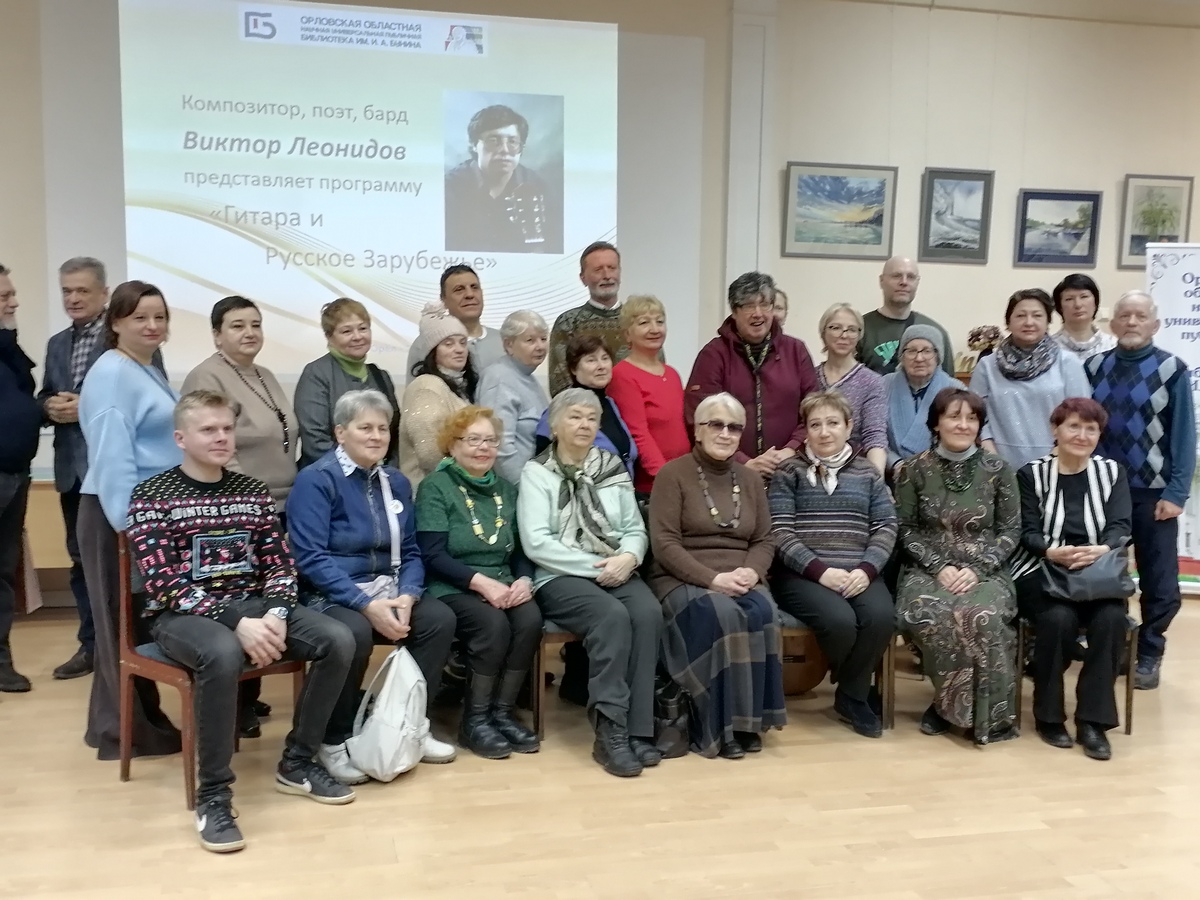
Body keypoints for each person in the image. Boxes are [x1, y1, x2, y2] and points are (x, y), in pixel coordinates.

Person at [128, 391, 356, 853]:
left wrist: (276, 613)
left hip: (253, 607)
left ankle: (297, 762)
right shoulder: (151, 495)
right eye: (208, 430)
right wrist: (235, 621)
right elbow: (163, 581)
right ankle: (213, 795)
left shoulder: (251, 491)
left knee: (338, 638)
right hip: (181, 615)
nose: (221, 438)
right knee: (222, 651)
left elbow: (280, 564)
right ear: (181, 438)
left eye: (227, 429)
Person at [287, 390, 458, 781]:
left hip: (389, 587)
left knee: (438, 620)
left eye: (383, 428)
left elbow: (411, 550)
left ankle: (410, 725)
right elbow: (310, 558)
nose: (376, 436)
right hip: (329, 591)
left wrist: (409, 595)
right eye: (365, 427)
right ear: (340, 433)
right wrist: (364, 603)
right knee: (356, 632)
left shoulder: (395, 481)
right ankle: (335, 739)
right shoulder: (316, 480)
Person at [518, 388, 663, 777]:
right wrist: (597, 566)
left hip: (616, 565)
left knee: (647, 613)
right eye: (575, 417)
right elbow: (537, 544)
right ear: (554, 425)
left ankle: (639, 729)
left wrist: (630, 557)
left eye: (591, 418)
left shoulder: (611, 467)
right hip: (560, 575)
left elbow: (634, 527)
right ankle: (610, 732)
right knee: (610, 616)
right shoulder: (537, 472)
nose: (584, 425)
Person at [181, 294, 299, 737]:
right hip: (238, 510)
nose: (249, 332)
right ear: (217, 335)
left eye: (255, 324)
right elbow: (214, 447)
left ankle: (248, 691)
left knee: (264, 598)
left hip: (280, 504)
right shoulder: (206, 375)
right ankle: (233, 705)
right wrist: (239, 500)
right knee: (235, 598)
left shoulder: (263, 374)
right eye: (237, 326)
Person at [77, 280, 183, 760]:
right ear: (116, 322)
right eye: (140, 317)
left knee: (134, 628)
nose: (152, 325)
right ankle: (122, 732)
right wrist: (130, 528)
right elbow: (112, 458)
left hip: (148, 516)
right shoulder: (112, 372)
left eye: (159, 316)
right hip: (116, 518)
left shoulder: (144, 367)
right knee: (119, 628)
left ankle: (133, 724)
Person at [649, 392, 784, 759]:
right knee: (721, 613)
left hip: (740, 574)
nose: (725, 433)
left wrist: (752, 571)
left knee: (763, 612)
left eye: (734, 427)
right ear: (698, 430)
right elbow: (664, 544)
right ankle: (714, 726)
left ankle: (747, 723)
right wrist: (711, 579)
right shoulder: (672, 475)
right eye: (716, 425)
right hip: (681, 577)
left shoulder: (750, 479)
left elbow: (764, 539)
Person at [894, 388, 1021, 744]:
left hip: (986, 569)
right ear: (936, 423)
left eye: (972, 418)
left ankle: (989, 716)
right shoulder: (913, 469)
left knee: (980, 615)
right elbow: (905, 528)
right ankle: (947, 703)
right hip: (927, 567)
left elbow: (1011, 530)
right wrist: (938, 566)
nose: (963, 425)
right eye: (954, 416)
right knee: (931, 612)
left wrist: (977, 570)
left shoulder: (999, 469)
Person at [415, 406, 542, 759]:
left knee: (530, 619)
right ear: (452, 445)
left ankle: (502, 714)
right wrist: (481, 584)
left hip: (503, 581)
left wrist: (524, 579)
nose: (483, 448)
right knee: (491, 624)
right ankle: (475, 722)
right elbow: (432, 554)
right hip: (450, 583)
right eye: (473, 440)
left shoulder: (506, 489)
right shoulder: (435, 487)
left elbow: (520, 549)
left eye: (490, 440)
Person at [768, 391, 896, 739]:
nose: (824, 432)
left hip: (859, 572)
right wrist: (820, 572)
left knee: (881, 617)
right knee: (839, 622)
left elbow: (886, 526)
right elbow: (780, 532)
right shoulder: (789, 471)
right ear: (806, 431)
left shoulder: (868, 472)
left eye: (833, 423)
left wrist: (866, 570)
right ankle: (857, 689)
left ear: (849, 427)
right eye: (815, 425)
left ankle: (850, 694)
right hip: (802, 575)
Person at [1086, 290, 1196, 691]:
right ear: (1113, 323)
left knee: (1159, 581)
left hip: (1153, 493)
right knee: (1103, 575)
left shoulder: (1172, 369)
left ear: (1155, 324)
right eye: (1125, 315)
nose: (1132, 322)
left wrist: (1177, 493)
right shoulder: (1093, 366)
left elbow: (1185, 435)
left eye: (1140, 316)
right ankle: (1114, 646)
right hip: (1103, 491)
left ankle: (1149, 651)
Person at [1012, 398, 1132, 761]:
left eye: (1090, 429)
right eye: (1073, 426)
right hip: (1042, 567)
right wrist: (1052, 551)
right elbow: (1025, 531)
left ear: (1099, 434)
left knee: (1112, 619)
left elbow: (1121, 525)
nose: (1082, 435)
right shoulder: (1031, 474)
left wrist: (1100, 549)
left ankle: (1093, 722)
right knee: (1057, 619)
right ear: (1055, 429)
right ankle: (1049, 717)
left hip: (1098, 571)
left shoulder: (1112, 472)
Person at [38, 258, 129, 681]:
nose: (73, 298)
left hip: (114, 471)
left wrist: (87, 407)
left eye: (82, 290)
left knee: (120, 565)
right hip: (71, 471)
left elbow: (148, 397)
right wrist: (48, 407)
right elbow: (45, 394)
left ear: (104, 294)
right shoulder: (57, 343)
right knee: (80, 563)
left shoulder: (125, 337)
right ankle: (91, 646)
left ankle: (126, 647)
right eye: (66, 291)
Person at [685, 272, 818, 479]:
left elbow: (814, 409)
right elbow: (699, 418)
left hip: (790, 470)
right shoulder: (713, 355)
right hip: (727, 472)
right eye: (748, 306)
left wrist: (790, 450)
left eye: (765, 305)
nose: (758, 313)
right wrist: (743, 462)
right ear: (734, 311)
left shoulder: (796, 350)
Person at [971, 288, 1090, 469]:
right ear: (1008, 322)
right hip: (998, 464)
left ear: (1048, 321)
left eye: (1037, 315)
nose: (1029, 322)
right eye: (1020, 315)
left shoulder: (1067, 362)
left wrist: (1056, 456)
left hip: (1057, 462)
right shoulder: (987, 365)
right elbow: (976, 416)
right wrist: (992, 456)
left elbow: (1081, 415)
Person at [294, 298, 399, 468]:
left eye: (363, 328)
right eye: (346, 331)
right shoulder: (316, 374)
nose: (357, 337)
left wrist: (387, 472)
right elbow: (315, 441)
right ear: (329, 336)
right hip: (328, 477)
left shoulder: (381, 377)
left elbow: (393, 435)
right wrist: (356, 473)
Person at [444, 104, 561, 254]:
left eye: (512, 142)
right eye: (493, 141)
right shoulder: (450, 187)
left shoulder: (539, 186)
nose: (505, 150)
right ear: (474, 145)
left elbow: (553, 243)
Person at [606, 295, 691, 497]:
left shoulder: (672, 374)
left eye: (659, 322)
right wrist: (664, 477)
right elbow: (637, 433)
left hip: (683, 476)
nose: (655, 329)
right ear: (627, 334)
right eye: (644, 323)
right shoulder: (622, 375)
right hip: (653, 485)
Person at [0, 264, 40, 692]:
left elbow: (22, 400)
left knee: (2, 572)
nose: (14, 302)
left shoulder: (7, 349)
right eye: (4, 297)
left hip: (15, 475)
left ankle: (0, 661)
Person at [535, 333, 638, 476]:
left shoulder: (610, 404)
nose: (601, 366)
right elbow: (543, 463)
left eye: (605, 358)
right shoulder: (561, 408)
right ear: (574, 369)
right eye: (591, 360)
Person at [399, 304, 477, 487]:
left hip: (454, 487)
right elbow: (430, 454)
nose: (459, 349)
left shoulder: (457, 386)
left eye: (462, 342)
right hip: (433, 491)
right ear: (432, 352)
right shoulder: (426, 386)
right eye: (448, 344)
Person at [882, 325, 966, 479]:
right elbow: (874, 435)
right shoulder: (884, 386)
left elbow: (964, 436)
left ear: (938, 356)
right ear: (902, 356)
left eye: (927, 351)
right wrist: (895, 463)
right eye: (911, 351)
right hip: (893, 475)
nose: (919, 358)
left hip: (943, 474)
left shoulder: (956, 390)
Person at [476, 310, 549, 483]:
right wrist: (523, 488)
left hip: (537, 481)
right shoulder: (499, 378)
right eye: (530, 340)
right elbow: (499, 448)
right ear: (509, 345)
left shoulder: (527, 376)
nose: (540, 346)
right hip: (515, 486)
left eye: (543, 339)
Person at [814, 303, 887, 474]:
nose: (844, 335)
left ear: (859, 336)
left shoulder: (872, 382)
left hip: (855, 471)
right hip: (811, 468)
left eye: (852, 330)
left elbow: (875, 436)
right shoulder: (809, 376)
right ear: (823, 333)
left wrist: (875, 479)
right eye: (835, 328)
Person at [404, 265, 506, 383]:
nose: (470, 294)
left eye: (474, 287)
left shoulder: (505, 341)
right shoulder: (426, 344)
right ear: (443, 299)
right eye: (459, 289)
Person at [857, 256, 955, 377]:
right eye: (896, 275)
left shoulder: (935, 332)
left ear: (917, 282)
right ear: (881, 281)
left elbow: (948, 386)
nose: (904, 282)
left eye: (911, 277)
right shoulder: (859, 329)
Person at [548, 241, 624, 395]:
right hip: (585, 408)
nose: (607, 276)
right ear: (583, 278)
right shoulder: (568, 322)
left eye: (612, 268)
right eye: (598, 270)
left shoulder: (638, 321)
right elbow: (560, 385)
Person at [1052, 273, 1116, 361]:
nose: (1078, 305)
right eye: (1069, 299)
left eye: (1084, 297)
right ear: (1060, 307)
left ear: (1095, 303)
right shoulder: (1049, 348)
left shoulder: (1112, 346)